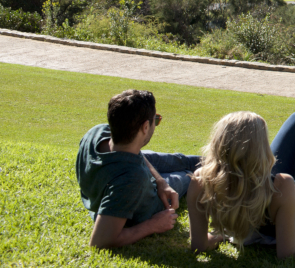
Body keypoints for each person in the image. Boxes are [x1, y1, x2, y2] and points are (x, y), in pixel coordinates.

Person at [188, 111, 295, 259]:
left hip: (263, 183)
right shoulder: (282, 184)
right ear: (259, 149)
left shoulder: (201, 180)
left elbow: (200, 246)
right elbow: (287, 253)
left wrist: (219, 235)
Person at [75, 89, 201, 248]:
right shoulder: (131, 179)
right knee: (190, 174)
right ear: (145, 126)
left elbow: (133, 154)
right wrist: (153, 225)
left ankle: (228, 159)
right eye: (156, 120)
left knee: (183, 160)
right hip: (150, 198)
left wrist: (160, 181)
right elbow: (100, 241)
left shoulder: (97, 132)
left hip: (143, 166)